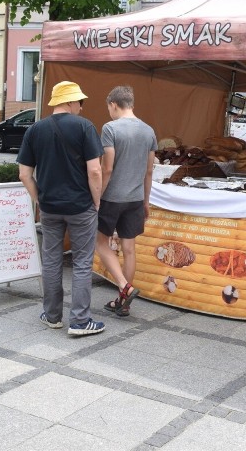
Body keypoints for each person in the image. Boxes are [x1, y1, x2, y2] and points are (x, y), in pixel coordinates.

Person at [17, 81, 105, 336]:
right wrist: (96, 200)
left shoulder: (35, 130)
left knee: (52, 260)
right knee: (81, 262)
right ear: (70, 101)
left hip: (50, 207)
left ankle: (53, 315)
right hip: (80, 206)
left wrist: (39, 201)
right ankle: (79, 321)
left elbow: (24, 174)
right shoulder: (85, 127)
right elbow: (95, 170)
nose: (81, 106)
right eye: (80, 101)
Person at [96, 85, 157, 317]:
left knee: (101, 243)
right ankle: (124, 303)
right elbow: (149, 171)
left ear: (113, 104)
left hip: (112, 197)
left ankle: (124, 286)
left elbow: (107, 167)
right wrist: (146, 201)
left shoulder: (110, 128)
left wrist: (98, 195)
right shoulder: (149, 131)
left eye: (108, 107)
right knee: (129, 249)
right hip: (135, 198)